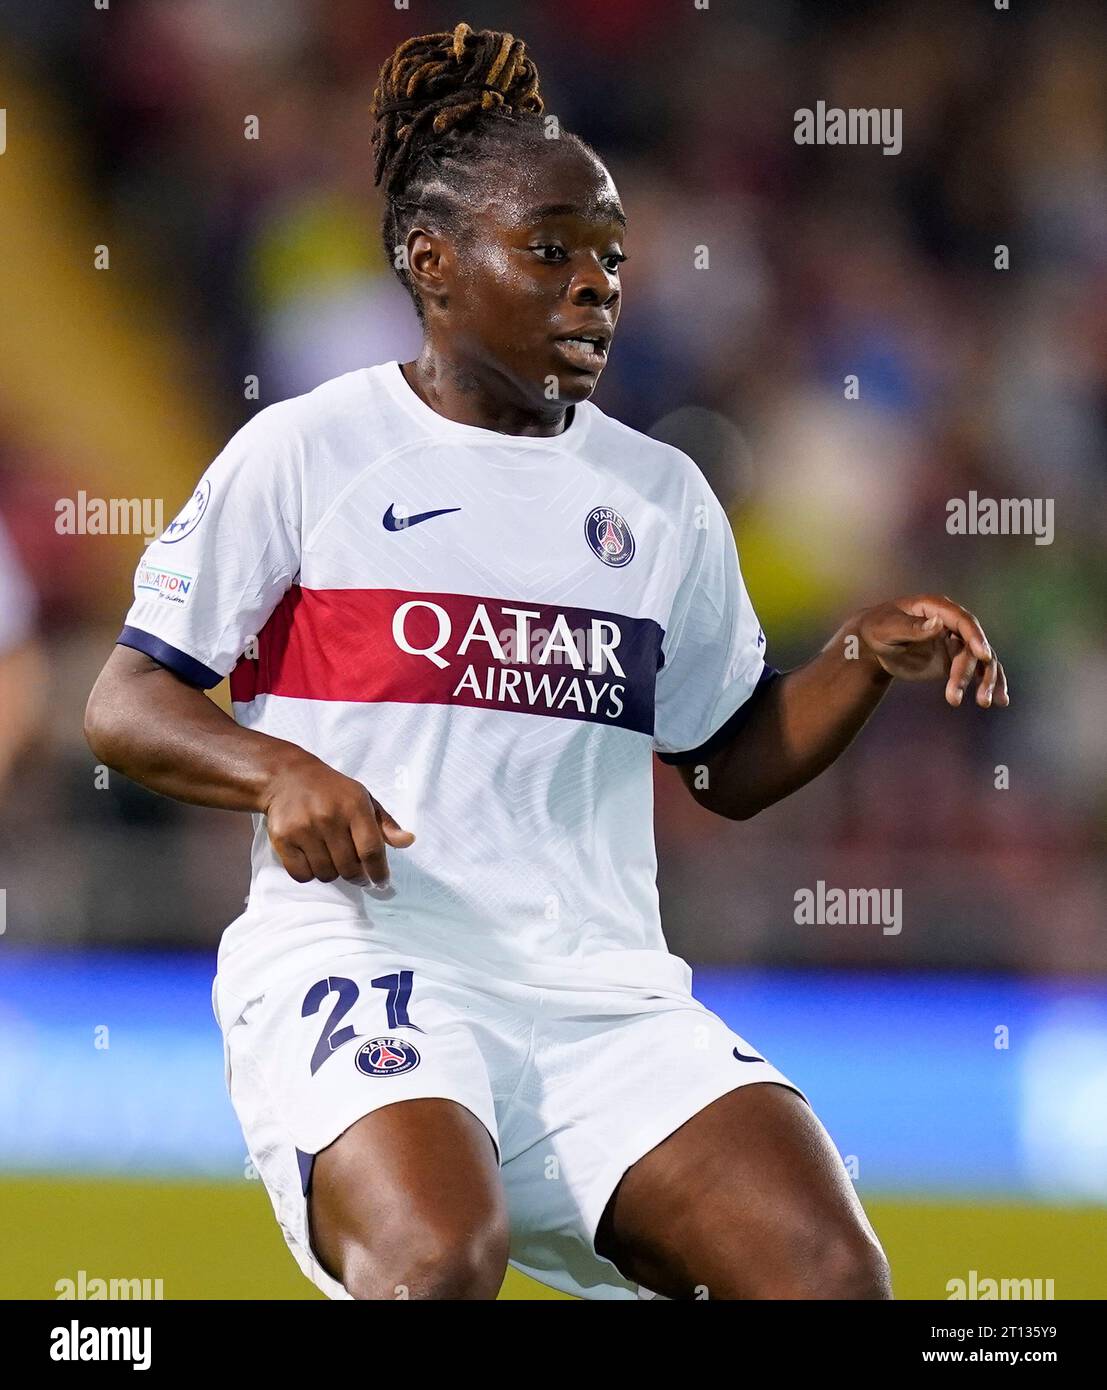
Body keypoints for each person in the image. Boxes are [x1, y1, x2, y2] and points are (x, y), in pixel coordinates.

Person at [84, 22, 1007, 1301]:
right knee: (432, 1259)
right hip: (369, 959)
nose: (598, 283)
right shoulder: (309, 452)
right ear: (433, 263)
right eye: (553, 250)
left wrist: (858, 655)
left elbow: (726, 763)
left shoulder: (662, 495)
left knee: (828, 1276)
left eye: (613, 255)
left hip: (600, 996)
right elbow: (127, 699)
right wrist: (277, 769)